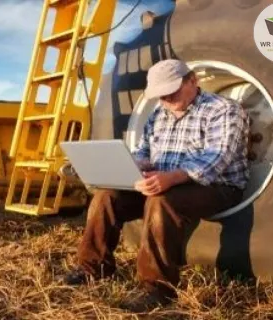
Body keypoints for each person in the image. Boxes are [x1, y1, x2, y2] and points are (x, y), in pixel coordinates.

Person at [63, 59, 251, 312]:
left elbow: (216, 159)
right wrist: (133, 165)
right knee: (106, 196)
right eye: (161, 96)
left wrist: (170, 178)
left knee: (161, 200)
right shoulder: (158, 114)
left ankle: (156, 288)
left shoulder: (224, 110)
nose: (166, 100)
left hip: (218, 187)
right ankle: (92, 267)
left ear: (192, 81)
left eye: (171, 92)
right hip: (165, 183)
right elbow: (146, 152)